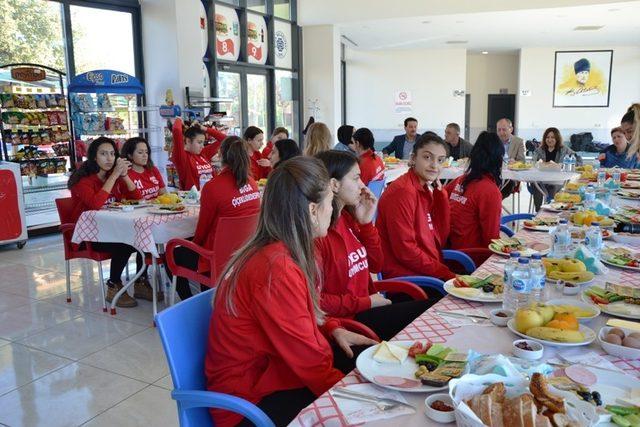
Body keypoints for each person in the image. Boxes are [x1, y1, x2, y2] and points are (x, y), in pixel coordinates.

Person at [205, 157, 377, 427]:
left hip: (276, 374)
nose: (333, 210)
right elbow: (310, 363)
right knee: (374, 388)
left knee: (370, 368)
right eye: (330, 204)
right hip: (249, 406)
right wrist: (364, 406)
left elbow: (302, 315)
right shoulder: (277, 267)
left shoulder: (284, 249)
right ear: (311, 210)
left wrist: (332, 327)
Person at [315, 150, 432, 340]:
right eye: (356, 179)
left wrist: (367, 223)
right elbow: (317, 301)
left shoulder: (347, 218)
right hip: (347, 324)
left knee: (435, 312)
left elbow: (376, 265)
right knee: (430, 317)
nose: (362, 186)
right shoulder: (320, 235)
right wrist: (366, 302)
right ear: (334, 185)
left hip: (365, 309)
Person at [170, 136, 261, 301]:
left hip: (216, 257)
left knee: (171, 254)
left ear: (221, 155)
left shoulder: (214, 187)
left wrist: (193, 245)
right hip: (246, 253)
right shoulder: (252, 183)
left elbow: (202, 230)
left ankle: (189, 302)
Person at [68, 137, 142, 307]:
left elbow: (137, 198)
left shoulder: (112, 176)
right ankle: (113, 285)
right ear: (94, 157)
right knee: (126, 244)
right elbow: (95, 204)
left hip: (110, 230)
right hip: (86, 235)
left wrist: (124, 175)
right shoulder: (82, 181)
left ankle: (141, 281)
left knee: (139, 240)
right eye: (103, 154)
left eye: (112, 154)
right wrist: (115, 174)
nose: (109, 159)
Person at [376, 133, 454, 281]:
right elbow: (406, 251)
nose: (434, 165)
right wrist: (446, 274)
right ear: (413, 159)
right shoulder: (403, 192)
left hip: (426, 272)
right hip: (409, 281)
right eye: (427, 157)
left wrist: (441, 196)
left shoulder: (424, 189)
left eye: (440, 160)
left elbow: (440, 237)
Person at [120, 136, 167, 301]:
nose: (145, 155)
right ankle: (141, 279)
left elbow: (163, 192)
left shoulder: (152, 170)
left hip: (156, 217)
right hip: (135, 222)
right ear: (130, 155)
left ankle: (143, 279)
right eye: (140, 152)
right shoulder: (126, 174)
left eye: (146, 152)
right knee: (145, 239)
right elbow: (136, 198)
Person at [445, 132, 503, 249]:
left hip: (450, 251)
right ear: (497, 159)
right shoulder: (489, 191)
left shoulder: (460, 180)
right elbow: (491, 239)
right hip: (471, 257)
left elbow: (439, 198)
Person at [530, 127, 582, 211]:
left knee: (554, 187)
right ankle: (538, 211)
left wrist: (563, 165)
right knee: (536, 185)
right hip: (541, 180)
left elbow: (579, 161)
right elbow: (532, 163)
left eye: (552, 137)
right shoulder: (539, 150)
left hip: (557, 181)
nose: (550, 140)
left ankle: (554, 210)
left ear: (557, 138)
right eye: (547, 137)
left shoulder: (564, 150)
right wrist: (538, 164)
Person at [171, 117, 226, 190]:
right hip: (194, 200)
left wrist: (205, 128)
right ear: (188, 141)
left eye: (203, 142)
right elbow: (177, 130)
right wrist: (179, 119)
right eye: (199, 142)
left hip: (213, 195)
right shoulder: (182, 157)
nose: (202, 146)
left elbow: (224, 139)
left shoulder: (203, 153)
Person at [497, 118, 525, 199]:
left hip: (511, 177)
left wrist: (515, 162)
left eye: (504, 130)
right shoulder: (494, 141)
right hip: (495, 175)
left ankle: (495, 204)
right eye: (499, 130)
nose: (501, 133)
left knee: (503, 186)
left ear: (511, 129)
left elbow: (522, 161)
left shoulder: (519, 142)